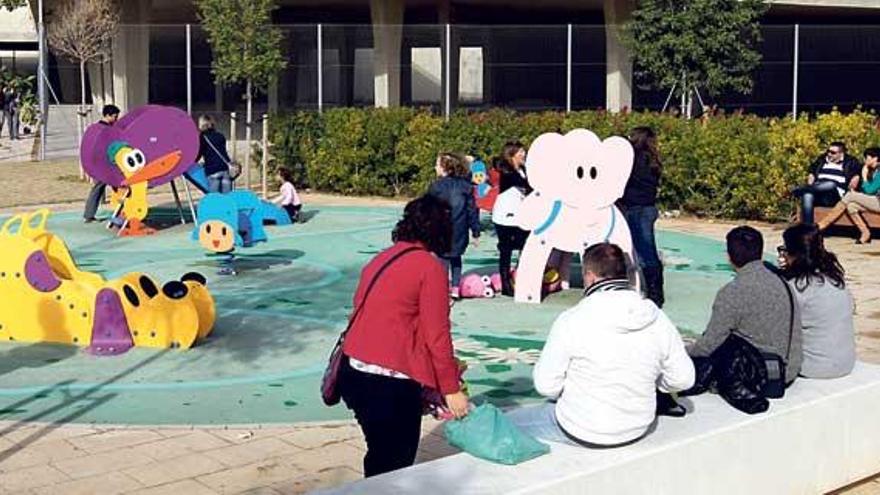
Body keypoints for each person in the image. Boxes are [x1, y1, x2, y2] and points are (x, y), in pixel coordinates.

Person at [339, 195, 469, 477]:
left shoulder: (383, 257)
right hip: (390, 383)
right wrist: (450, 389)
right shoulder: (430, 268)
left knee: (379, 455)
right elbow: (437, 335)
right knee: (395, 464)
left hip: (355, 371)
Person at [531, 243, 694, 447]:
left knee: (503, 424)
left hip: (581, 427)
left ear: (589, 275)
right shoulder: (657, 318)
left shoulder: (572, 320)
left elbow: (546, 386)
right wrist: (654, 383)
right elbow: (683, 378)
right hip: (638, 425)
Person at [688, 226, 803, 384]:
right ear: (760, 253)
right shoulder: (782, 282)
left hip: (759, 375)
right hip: (788, 369)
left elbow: (707, 346)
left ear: (729, 257)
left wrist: (680, 351)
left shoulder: (732, 292)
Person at [777, 224, 855, 378]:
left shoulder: (797, 288)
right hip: (845, 363)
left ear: (793, 253)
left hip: (814, 367)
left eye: (785, 249)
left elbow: (778, 327)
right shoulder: (834, 279)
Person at [622, 126, 665, 307]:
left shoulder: (633, 160)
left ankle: (654, 292)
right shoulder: (653, 161)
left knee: (643, 252)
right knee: (646, 249)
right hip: (648, 208)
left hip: (635, 208)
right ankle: (655, 289)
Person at [428, 152, 481, 298]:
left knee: (443, 259)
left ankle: (443, 288)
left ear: (445, 167)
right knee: (456, 257)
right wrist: (476, 231)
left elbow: (428, 210)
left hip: (442, 229)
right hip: (460, 229)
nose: (435, 167)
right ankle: (456, 288)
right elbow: (472, 211)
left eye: (437, 164)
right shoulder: (466, 186)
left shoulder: (436, 186)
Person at [492, 141, 532, 296]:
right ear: (512, 154)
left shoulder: (523, 170)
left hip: (520, 215)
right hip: (505, 216)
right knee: (506, 249)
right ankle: (505, 282)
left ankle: (520, 277)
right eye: (520, 152)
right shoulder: (507, 171)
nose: (524, 155)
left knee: (525, 246)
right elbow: (523, 183)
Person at [817, 147, 880, 244]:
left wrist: (864, 175)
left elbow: (869, 191)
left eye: (867, 158)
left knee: (850, 196)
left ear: (875, 158)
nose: (864, 160)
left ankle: (821, 225)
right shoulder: (874, 171)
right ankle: (865, 233)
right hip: (876, 201)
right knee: (851, 206)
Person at [793, 141, 861, 225]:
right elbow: (812, 170)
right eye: (828, 151)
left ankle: (801, 190)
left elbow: (858, 171)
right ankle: (808, 229)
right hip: (818, 192)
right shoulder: (822, 159)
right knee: (807, 195)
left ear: (841, 153)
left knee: (830, 184)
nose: (829, 154)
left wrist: (856, 176)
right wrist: (811, 176)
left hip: (833, 197)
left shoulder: (850, 161)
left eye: (833, 152)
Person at [82, 105, 121, 223]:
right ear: (108, 115)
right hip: (103, 165)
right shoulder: (104, 130)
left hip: (103, 164)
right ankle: (89, 215)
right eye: (114, 117)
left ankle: (90, 214)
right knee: (102, 187)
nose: (116, 119)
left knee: (113, 186)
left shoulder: (97, 128)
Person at [196, 115, 233, 193]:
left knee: (215, 200)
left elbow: (199, 153)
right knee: (227, 199)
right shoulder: (220, 136)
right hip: (225, 169)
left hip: (213, 171)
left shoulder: (202, 137)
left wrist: (192, 162)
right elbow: (221, 152)